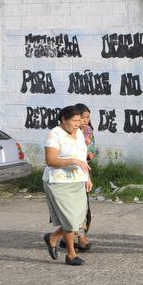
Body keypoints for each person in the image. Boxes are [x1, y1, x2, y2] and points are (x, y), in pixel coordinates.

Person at [42, 104, 93, 266]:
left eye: (80, 120)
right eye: (75, 121)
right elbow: (50, 160)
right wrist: (73, 161)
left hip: (78, 181)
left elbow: (82, 158)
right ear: (64, 119)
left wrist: (87, 177)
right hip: (59, 182)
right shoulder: (54, 134)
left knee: (78, 220)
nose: (78, 124)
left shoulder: (79, 133)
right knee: (70, 220)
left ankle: (53, 237)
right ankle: (71, 254)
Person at [58, 103, 97, 251]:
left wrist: (91, 153)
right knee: (69, 209)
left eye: (87, 117)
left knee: (82, 207)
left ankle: (80, 238)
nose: (85, 121)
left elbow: (91, 147)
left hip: (82, 172)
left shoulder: (87, 131)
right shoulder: (61, 133)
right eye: (82, 118)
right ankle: (64, 238)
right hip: (65, 175)